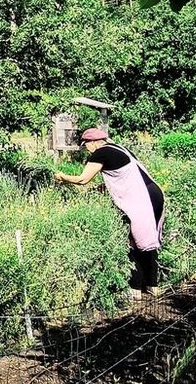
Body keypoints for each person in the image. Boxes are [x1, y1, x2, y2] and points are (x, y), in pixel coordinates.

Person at [56, 127, 165, 297]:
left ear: (93, 142)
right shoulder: (119, 148)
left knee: (133, 241)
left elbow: (82, 179)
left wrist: (63, 177)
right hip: (155, 193)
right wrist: (100, 189)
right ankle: (153, 286)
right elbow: (125, 176)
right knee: (148, 239)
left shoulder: (101, 153)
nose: (87, 149)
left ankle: (135, 289)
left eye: (86, 145)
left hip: (142, 199)